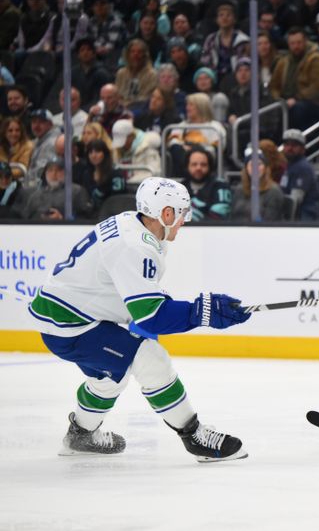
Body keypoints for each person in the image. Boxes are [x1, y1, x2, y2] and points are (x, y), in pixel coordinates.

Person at [27, 177, 251, 461]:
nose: (185, 219)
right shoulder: (136, 246)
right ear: (166, 213)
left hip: (63, 317)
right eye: (182, 212)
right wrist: (203, 312)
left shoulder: (130, 223)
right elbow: (151, 318)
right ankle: (194, 436)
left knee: (112, 375)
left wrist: (197, 309)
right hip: (71, 326)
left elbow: (138, 295)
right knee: (150, 359)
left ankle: (80, 436)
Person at [18, 157, 94, 220]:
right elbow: (25, 218)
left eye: (58, 170)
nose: (54, 174)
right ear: (45, 173)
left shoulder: (77, 192)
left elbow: (86, 218)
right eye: (50, 170)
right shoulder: (35, 195)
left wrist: (62, 219)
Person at [231, 146, 285, 221]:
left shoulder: (274, 192)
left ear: (265, 168)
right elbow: (232, 216)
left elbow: (269, 220)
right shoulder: (240, 189)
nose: (255, 168)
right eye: (252, 165)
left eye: (259, 164)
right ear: (246, 168)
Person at [279, 128, 319, 220]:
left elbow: (294, 200)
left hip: (304, 217)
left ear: (302, 149)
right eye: (287, 144)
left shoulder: (303, 168)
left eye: (294, 145)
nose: (289, 148)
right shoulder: (290, 165)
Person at [181, 147, 231, 221]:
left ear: (210, 167)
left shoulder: (220, 186)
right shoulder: (179, 188)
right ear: (187, 167)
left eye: (203, 164)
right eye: (194, 164)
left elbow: (219, 217)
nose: (198, 168)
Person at [78, 138, 126, 212]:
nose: (93, 155)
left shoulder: (116, 173)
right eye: (90, 152)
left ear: (105, 153)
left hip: (113, 213)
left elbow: (118, 199)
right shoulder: (87, 174)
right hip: (92, 217)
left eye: (97, 151)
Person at [111, 118, 162, 183]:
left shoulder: (148, 147)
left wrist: (129, 182)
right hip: (123, 188)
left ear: (131, 136)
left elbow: (155, 173)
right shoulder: (117, 149)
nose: (121, 146)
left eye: (123, 140)